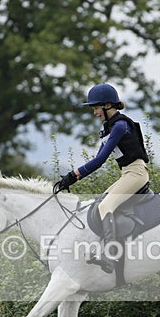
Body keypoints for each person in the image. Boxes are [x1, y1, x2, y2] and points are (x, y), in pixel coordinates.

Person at [55, 83, 149, 273]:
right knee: (99, 205)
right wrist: (73, 176)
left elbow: (99, 160)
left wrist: (73, 176)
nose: (95, 113)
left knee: (106, 206)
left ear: (108, 106)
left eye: (96, 108)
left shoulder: (120, 126)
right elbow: (98, 158)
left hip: (136, 173)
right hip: (128, 173)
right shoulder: (111, 127)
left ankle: (111, 255)